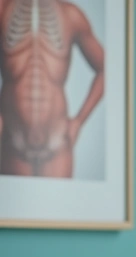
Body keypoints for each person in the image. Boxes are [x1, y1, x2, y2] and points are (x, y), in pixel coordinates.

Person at [0, 0, 105, 177]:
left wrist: (79, 121)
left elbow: (105, 68)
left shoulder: (71, 15)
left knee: (63, 204)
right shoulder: (3, 9)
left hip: (57, 144)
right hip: (12, 141)